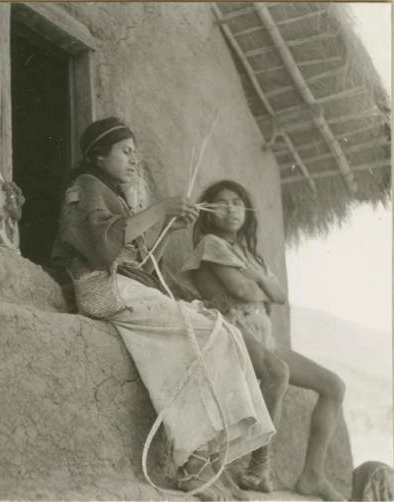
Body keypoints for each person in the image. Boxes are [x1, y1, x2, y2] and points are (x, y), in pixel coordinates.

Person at [51, 118, 275, 501]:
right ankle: (190, 464)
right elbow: (103, 250)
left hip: (128, 286)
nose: (134, 159)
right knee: (207, 334)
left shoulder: (111, 194)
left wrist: (168, 225)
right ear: (98, 155)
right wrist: (159, 210)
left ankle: (208, 460)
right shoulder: (85, 188)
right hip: (104, 288)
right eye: (125, 151)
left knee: (222, 332)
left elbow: (139, 254)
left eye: (136, 152)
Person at [183, 179, 347, 501]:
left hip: (262, 334)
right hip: (230, 326)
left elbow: (281, 297)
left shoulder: (248, 253)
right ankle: (260, 464)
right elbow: (242, 292)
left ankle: (312, 476)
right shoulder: (211, 244)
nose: (230, 208)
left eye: (237, 202)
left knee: (334, 386)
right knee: (278, 373)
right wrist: (260, 281)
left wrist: (255, 276)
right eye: (221, 202)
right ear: (209, 212)